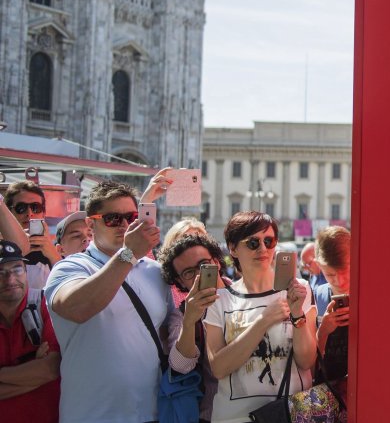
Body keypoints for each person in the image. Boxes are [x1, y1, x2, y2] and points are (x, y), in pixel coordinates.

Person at [45, 180, 171, 423]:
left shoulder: (155, 271)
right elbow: (77, 307)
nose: (124, 225)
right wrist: (129, 254)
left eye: (131, 217)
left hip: (152, 412)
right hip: (91, 415)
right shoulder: (72, 267)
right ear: (91, 224)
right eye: (113, 218)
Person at [204, 212, 317, 423]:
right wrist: (263, 321)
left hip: (292, 414)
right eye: (253, 243)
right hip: (234, 418)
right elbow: (218, 368)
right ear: (233, 248)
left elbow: (307, 360)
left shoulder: (298, 290)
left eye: (269, 241)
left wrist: (297, 314)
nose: (263, 249)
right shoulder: (220, 300)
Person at [159, 233, 230, 422]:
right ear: (180, 281)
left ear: (216, 261)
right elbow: (181, 366)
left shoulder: (245, 294)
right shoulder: (182, 313)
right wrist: (189, 321)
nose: (199, 275)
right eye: (189, 272)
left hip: (264, 409)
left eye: (203, 265)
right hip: (215, 414)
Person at [0, 241, 60, 423]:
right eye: (0, 273)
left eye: (17, 269)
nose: (10, 280)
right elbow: (45, 372)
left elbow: (52, 368)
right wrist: (33, 368)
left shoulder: (47, 305)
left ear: (26, 272)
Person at [1, 181, 60, 287]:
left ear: (44, 212)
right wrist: (17, 251)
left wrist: (53, 254)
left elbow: (67, 283)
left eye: (36, 207)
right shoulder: (2, 247)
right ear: (9, 212)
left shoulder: (57, 250)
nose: (29, 213)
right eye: (21, 208)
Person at [313, 226, 350, 386]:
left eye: (346, 271)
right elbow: (308, 363)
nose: (339, 281)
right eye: (330, 274)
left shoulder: (371, 297)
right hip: (326, 390)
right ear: (318, 266)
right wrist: (323, 332)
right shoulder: (315, 297)